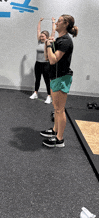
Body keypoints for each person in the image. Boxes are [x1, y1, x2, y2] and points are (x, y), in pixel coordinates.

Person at [40, 14, 78, 148]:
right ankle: (55, 130)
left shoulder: (65, 41)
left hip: (62, 77)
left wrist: (50, 45)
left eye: (59, 21)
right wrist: (47, 44)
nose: (56, 23)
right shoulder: (60, 39)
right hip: (55, 76)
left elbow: (53, 59)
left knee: (60, 109)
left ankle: (60, 139)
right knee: (56, 109)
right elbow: (46, 57)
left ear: (66, 24)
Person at [30, 17, 56, 104]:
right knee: (37, 79)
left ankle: (49, 96)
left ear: (47, 37)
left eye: (43, 36)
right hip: (38, 63)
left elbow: (53, 32)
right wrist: (39, 21)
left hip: (46, 64)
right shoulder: (39, 42)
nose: (41, 37)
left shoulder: (49, 41)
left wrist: (53, 22)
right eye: (40, 36)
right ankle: (35, 93)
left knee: (46, 80)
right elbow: (38, 30)